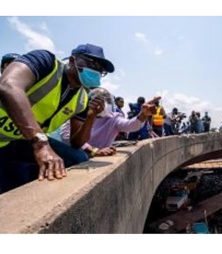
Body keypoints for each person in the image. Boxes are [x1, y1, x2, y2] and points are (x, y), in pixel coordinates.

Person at [0, 43, 114, 193]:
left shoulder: (82, 99)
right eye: (92, 63)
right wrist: (41, 143)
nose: (97, 71)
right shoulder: (46, 62)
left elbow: (76, 142)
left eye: (101, 70)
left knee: (78, 158)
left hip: (18, 141)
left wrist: (91, 117)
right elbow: (9, 85)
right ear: (73, 60)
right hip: (27, 140)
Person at [61, 88, 161, 156]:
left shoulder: (113, 118)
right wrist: (93, 150)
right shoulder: (79, 115)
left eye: (107, 101)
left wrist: (143, 115)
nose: (104, 104)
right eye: (98, 100)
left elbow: (131, 125)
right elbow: (66, 136)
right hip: (77, 155)